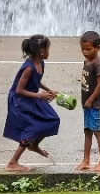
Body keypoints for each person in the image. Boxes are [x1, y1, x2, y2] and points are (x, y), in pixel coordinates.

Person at [4, 34, 60, 169]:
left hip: (32, 97)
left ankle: (34, 145)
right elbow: (19, 90)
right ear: (41, 51)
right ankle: (13, 162)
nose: (48, 52)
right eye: (47, 49)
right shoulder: (28, 68)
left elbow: (36, 81)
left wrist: (49, 90)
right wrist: (40, 96)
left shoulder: (40, 63)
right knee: (32, 127)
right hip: (20, 101)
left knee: (53, 119)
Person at [76, 30, 100, 173]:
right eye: (83, 49)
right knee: (88, 131)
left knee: (98, 132)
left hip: (97, 104)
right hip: (88, 104)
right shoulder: (88, 61)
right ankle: (86, 160)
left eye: (88, 49)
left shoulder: (98, 64)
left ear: (98, 48)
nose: (85, 51)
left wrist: (90, 100)